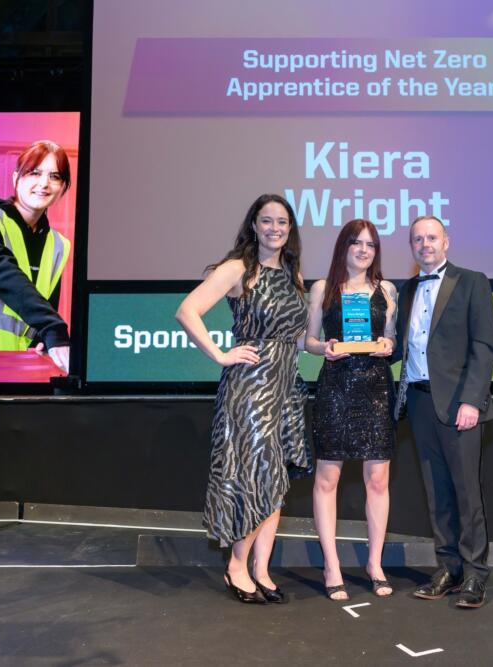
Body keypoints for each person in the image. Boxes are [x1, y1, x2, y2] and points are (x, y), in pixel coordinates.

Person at [175, 193, 312, 604]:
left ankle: (261, 569)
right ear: (254, 225)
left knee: (276, 480)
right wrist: (220, 354)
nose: (275, 228)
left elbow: (294, 337)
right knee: (256, 476)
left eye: (282, 222)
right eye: (267, 220)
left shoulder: (293, 272)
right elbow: (187, 310)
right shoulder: (238, 268)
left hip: (286, 388)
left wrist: (326, 347)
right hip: (250, 389)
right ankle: (237, 566)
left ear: (290, 229)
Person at [393, 215, 493, 609]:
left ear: (446, 241)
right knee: (436, 493)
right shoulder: (407, 290)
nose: (425, 245)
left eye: (432, 237)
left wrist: (472, 401)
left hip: (459, 405)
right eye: (417, 239)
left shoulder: (471, 282)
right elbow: (400, 346)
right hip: (419, 402)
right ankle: (449, 567)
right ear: (412, 247)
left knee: (467, 493)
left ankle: (475, 574)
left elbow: (484, 347)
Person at [304, 220, 398, 601]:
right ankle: (332, 566)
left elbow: (390, 336)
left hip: (376, 390)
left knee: (378, 480)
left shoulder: (387, 290)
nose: (363, 250)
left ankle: (375, 564)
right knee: (327, 480)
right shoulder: (322, 289)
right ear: (343, 246)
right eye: (356, 243)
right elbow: (308, 340)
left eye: (371, 244)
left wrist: (388, 345)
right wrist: (323, 348)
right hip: (336, 389)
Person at [0, 140, 72, 374]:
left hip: (20, 367)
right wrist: (53, 328)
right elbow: (5, 275)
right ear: (16, 179)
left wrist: (43, 339)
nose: (44, 183)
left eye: (55, 176)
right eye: (34, 173)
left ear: (63, 187)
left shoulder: (59, 244)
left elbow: (45, 305)